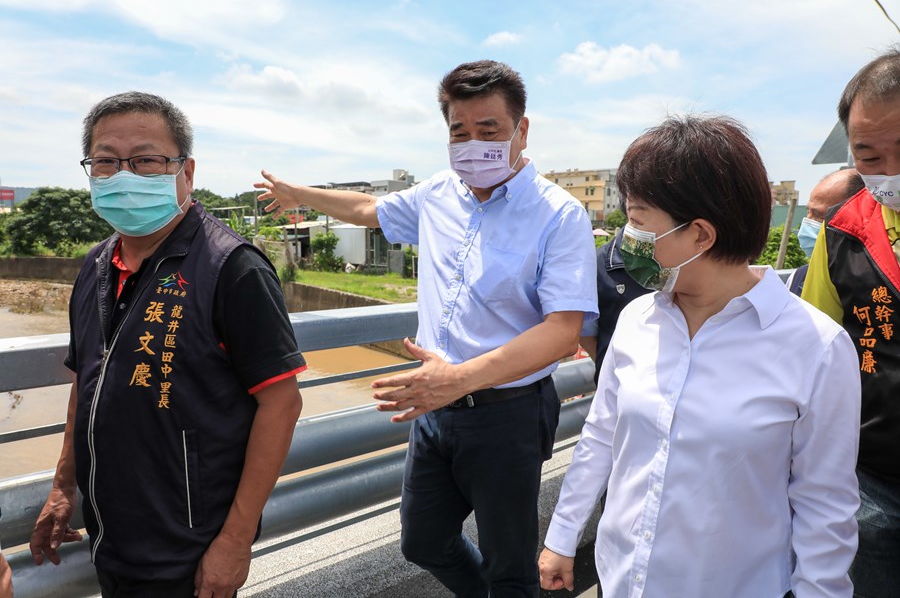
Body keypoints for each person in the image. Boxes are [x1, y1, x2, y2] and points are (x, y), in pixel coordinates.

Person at [255, 60, 598, 597]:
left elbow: (562, 330)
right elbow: (369, 208)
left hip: (507, 412)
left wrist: (459, 379)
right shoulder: (439, 193)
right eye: (459, 131)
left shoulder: (559, 214)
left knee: (511, 565)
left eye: (489, 130)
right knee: (423, 541)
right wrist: (304, 195)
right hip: (434, 408)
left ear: (521, 130)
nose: (472, 143)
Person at [539, 115, 861, 597]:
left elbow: (825, 506)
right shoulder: (636, 320)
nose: (627, 238)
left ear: (701, 235)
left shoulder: (815, 347)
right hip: (622, 577)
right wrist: (562, 536)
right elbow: (602, 435)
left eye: (638, 219)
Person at [28, 91, 305, 598]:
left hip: (190, 546)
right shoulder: (94, 266)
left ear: (187, 171)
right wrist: (63, 487)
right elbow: (86, 383)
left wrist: (235, 542)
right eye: (107, 161)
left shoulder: (232, 268)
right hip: (111, 534)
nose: (125, 175)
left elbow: (281, 403)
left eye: (147, 160)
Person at [801, 46, 900, 597]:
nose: (889, 172)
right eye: (869, 155)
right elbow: (817, 345)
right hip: (873, 480)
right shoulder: (843, 231)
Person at [581, 221, 650, 383]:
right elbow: (585, 332)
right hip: (618, 388)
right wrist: (612, 367)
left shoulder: (686, 259)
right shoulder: (599, 263)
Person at [788, 168, 863, 295]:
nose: (808, 222)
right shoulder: (798, 279)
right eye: (808, 212)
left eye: (820, 216)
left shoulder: (875, 284)